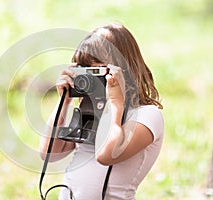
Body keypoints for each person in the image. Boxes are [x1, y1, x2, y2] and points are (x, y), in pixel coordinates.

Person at [39, 23, 164, 200]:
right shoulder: (92, 108)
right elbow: (49, 153)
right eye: (84, 70)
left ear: (124, 69)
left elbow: (106, 155)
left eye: (96, 70)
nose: (91, 78)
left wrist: (115, 103)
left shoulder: (147, 116)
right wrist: (64, 101)